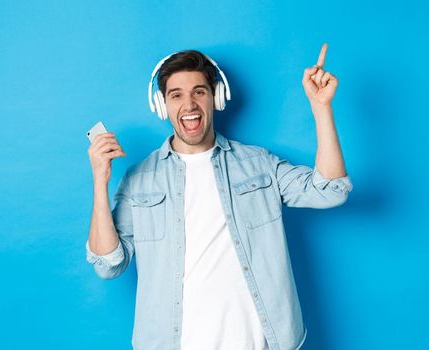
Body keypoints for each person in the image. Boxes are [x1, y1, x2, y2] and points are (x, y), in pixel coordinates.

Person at [85, 44, 351, 350]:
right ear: (162, 105)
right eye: (176, 95)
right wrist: (100, 182)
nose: (189, 104)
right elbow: (108, 264)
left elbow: (329, 191)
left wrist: (322, 108)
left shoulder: (257, 163)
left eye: (199, 91)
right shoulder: (140, 179)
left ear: (216, 97)